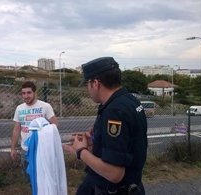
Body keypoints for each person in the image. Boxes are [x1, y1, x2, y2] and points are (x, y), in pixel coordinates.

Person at [63, 57, 148, 195]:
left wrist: (81, 151)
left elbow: (115, 174)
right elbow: (127, 143)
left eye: (87, 84)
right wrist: (95, 143)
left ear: (95, 83)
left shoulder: (114, 111)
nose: (87, 89)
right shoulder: (130, 100)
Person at [11, 81, 58, 179]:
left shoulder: (45, 106)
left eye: (29, 93)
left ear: (35, 93)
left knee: (42, 176)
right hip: (25, 149)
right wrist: (13, 148)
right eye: (23, 93)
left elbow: (55, 125)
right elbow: (16, 129)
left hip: (41, 149)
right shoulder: (19, 108)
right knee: (27, 176)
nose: (26, 96)